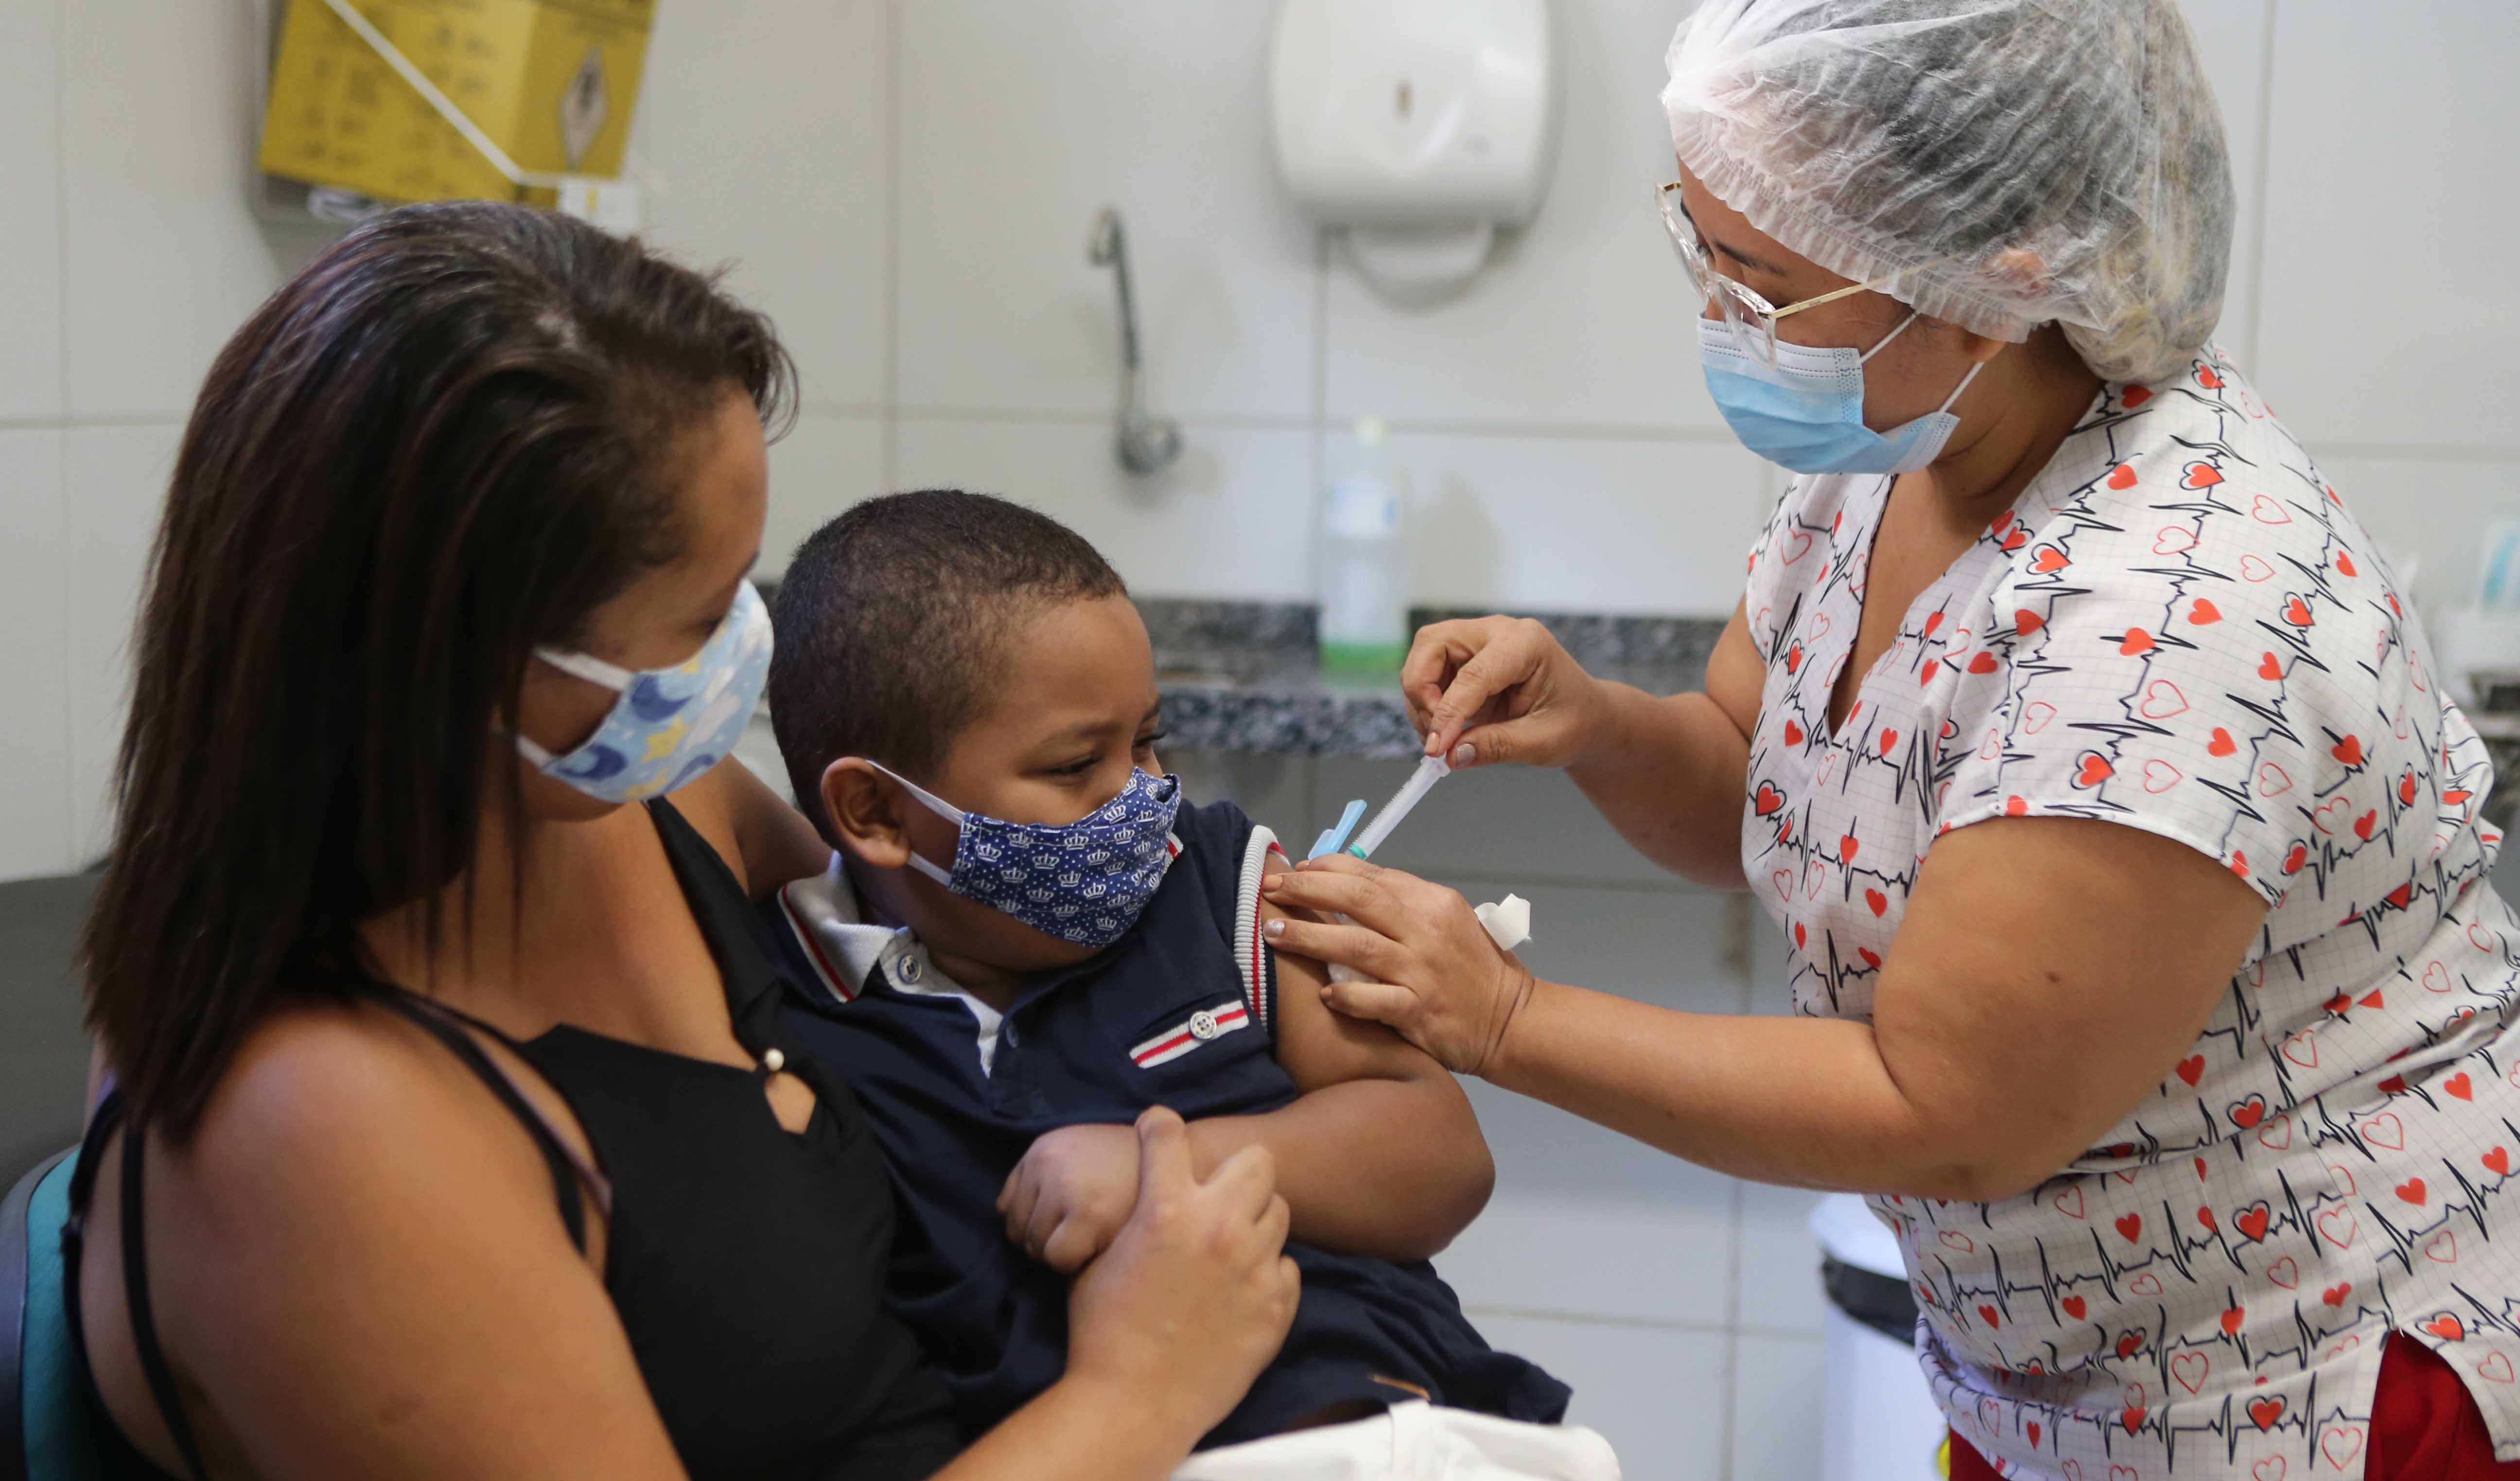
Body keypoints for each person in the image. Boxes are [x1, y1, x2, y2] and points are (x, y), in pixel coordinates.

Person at [1257, 3, 2520, 1478]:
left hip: (2307, 1383)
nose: (1726, 320)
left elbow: (1948, 1107)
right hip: (2058, 1374)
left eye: (1769, 281)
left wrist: (1503, 1018)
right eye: (1706, 252)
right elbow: (1755, 772)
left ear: (2000, 279)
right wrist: (1595, 725)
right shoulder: (1902, 442)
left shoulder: (2176, 612)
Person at [66, 201, 1299, 1481]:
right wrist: (1136, 1386)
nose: (739, 658)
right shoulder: (316, 1130)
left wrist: (1267, 930)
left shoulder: (647, 809)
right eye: (704, 616)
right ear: (462, 665)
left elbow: (966, 915)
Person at [754, 491, 1618, 1481]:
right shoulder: (799, 1018)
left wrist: (1164, 1163)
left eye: (1148, 741)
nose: (1140, 799)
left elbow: (1440, 1157)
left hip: (1393, 1438)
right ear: (875, 810)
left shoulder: (1213, 884)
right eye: (1081, 762)